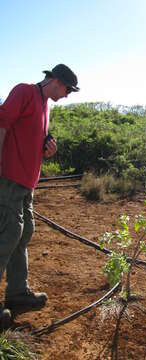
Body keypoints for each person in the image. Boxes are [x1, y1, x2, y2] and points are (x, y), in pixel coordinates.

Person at [0, 64, 79, 327]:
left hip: (27, 183)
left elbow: (35, 139)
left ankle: (17, 293)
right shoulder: (23, 92)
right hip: (9, 179)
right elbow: (2, 124)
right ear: (55, 81)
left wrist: (48, 149)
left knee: (23, 233)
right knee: (8, 234)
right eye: (67, 89)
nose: (67, 95)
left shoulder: (46, 105)